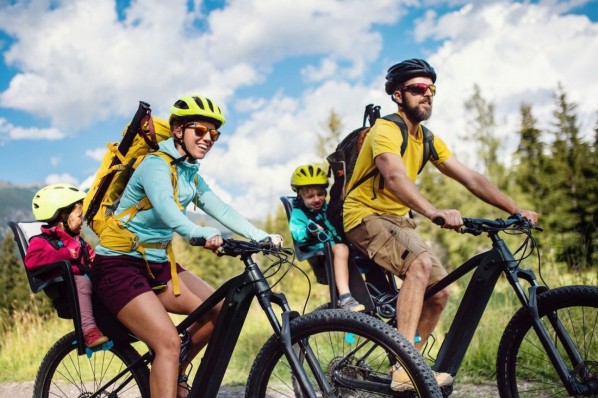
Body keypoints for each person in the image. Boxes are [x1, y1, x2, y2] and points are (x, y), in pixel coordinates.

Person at [342, 58, 538, 392]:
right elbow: (393, 176)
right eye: (418, 89)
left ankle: (409, 366)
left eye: (431, 89)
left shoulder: (427, 139)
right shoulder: (386, 130)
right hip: (364, 215)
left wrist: (515, 208)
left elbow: (470, 177)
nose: (427, 95)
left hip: (398, 221)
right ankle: (405, 369)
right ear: (397, 95)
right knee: (419, 264)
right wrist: (433, 211)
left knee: (440, 292)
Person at [90, 94, 283, 398]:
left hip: (156, 266)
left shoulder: (189, 170)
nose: (208, 138)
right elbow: (167, 208)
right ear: (178, 130)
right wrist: (199, 233)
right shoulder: (155, 165)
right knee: (167, 342)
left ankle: (175, 370)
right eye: (200, 131)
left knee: (221, 311)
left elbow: (220, 208)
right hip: (118, 266)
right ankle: (168, 362)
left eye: (214, 134)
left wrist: (261, 235)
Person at [25, 183, 109, 348]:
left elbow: (93, 259)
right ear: (62, 216)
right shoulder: (40, 241)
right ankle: (89, 330)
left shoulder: (80, 242)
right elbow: (31, 261)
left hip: (89, 286)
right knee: (82, 281)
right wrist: (66, 254)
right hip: (66, 289)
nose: (82, 220)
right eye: (79, 216)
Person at [289, 164, 365, 312]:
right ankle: (346, 298)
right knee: (342, 248)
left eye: (320, 194)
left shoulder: (328, 208)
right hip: (321, 254)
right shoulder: (298, 214)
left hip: (337, 248)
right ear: (300, 195)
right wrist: (309, 231)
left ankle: (381, 293)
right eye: (310, 196)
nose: (317, 199)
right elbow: (297, 233)